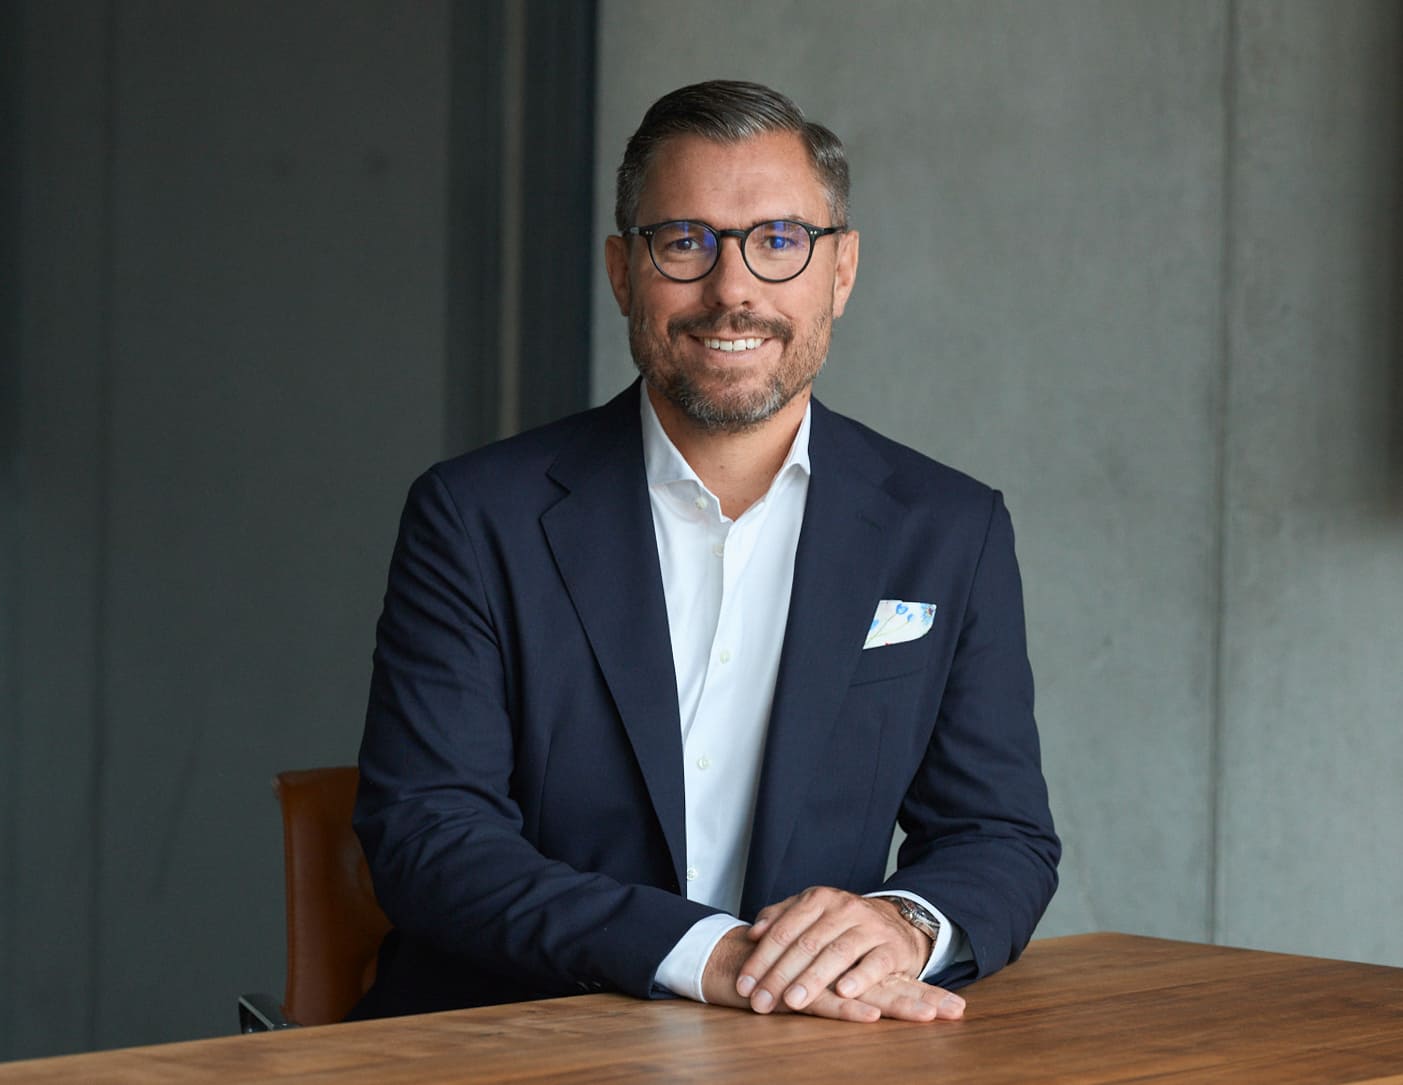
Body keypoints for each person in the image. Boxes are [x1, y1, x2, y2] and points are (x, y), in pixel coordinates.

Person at [351, 79, 1059, 1023]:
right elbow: (428, 836)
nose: (733, 291)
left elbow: (998, 834)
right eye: (685, 241)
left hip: (812, 1044)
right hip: (519, 1036)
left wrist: (902, 925)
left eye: (778, 242)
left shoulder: (947, 527)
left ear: (840, 272)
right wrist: (703, 953)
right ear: (621, 271)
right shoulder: (475, 516)